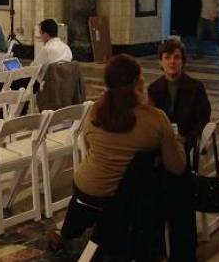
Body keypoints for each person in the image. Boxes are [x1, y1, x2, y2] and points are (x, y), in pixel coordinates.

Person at [48, 54, 187, 255]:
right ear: (137, 83)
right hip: (131, 198)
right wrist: (178, 141)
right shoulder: (155, 119)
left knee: (88, 196)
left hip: (88, 188)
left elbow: (88, 144)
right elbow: (176, 166)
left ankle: (68, 232)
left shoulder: (96, 110)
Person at [148, 39, 211, 168]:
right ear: (160, 62)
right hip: (163, 143)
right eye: (167, 57)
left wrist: (187, 139)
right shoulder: (153, 89)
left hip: (187, 143)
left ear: (183, 61)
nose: (172, 61)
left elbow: (203, 119)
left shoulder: (196, 87)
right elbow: (151, 122)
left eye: (176, 57)